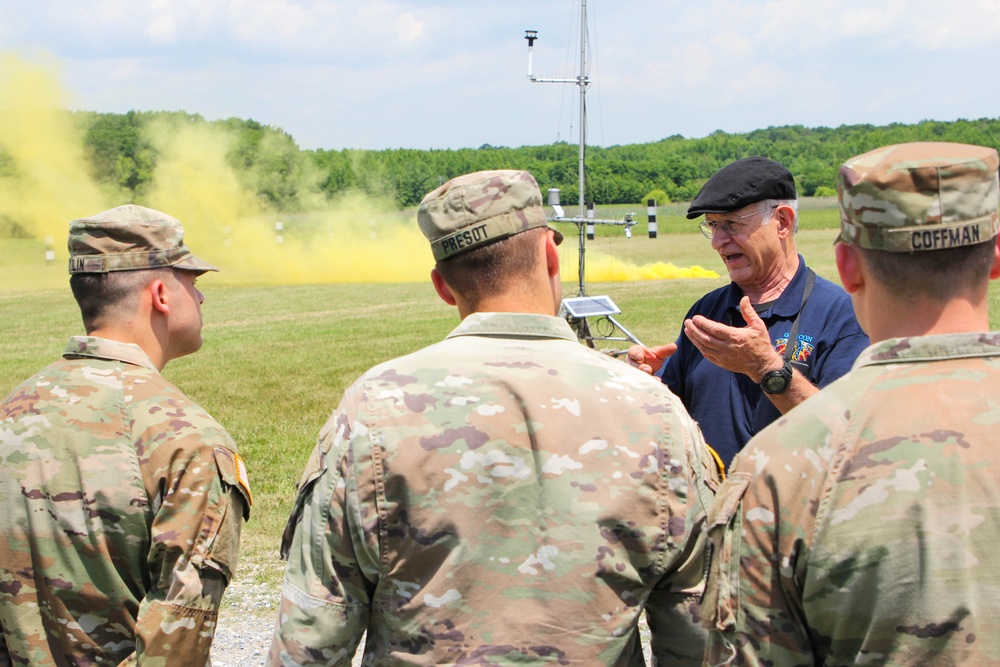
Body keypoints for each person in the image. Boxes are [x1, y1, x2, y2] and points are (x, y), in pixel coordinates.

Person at [267, 170, 719, 666]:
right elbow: (700, 631)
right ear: (551, 254)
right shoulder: (654, 411)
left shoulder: (375, 406)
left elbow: (315, 627)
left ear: (442, 286)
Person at [702, 141, 1000, 664]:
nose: (720, 239)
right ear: (996, 258)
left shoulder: (785, 467)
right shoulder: (713, 310)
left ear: (848, 265)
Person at [0, 205, 252, 665]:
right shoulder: (187, 440)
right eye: (192, 282)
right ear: (160, 293)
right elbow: (176, 644)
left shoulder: (11, 410)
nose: (200, 298)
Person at [628, 157, 868, 466]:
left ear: (782, 221)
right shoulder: (706, 312)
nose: (717, 242)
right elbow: (674, 419)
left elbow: (846, 434)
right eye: (713, 225)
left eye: (731, 225)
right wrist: (647, 387)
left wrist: (767, 368)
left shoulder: (842, 314)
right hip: (711, 510)